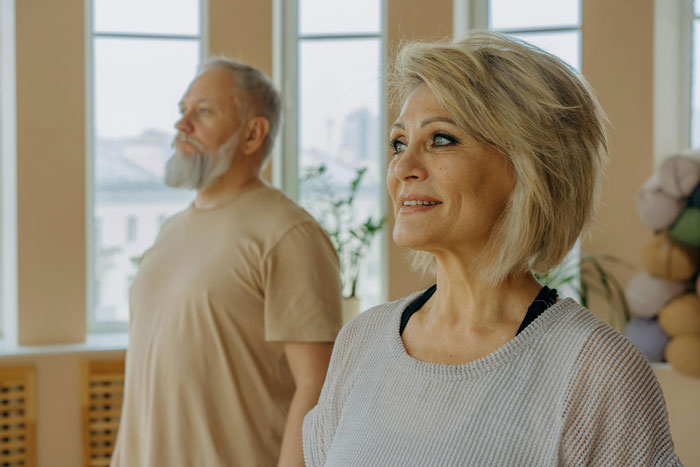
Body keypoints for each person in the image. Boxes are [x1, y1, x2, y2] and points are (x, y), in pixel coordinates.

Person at [303, 32, 681, 466]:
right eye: (398, 144)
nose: (403, 168)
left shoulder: (595, 371)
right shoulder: (361, 341)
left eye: (441, 139)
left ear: (529, 167)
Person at [111, 58, 343, 467]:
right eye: (182, 111)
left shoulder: (288, 233)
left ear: (252, 134)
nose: (182, 126)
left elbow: (318, 385)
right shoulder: (171, 230)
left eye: (203, 112)